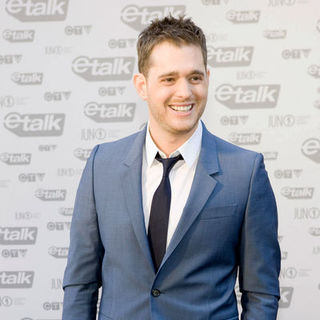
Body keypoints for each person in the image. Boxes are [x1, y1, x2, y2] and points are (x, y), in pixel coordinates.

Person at [62, 15, 280, 320]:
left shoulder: (246, 172)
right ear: (142, 85)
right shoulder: (102, 165)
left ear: (207, 77)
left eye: (195, 77)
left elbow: (261, 293)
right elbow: (80, 284)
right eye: (169, 79)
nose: (185, 93)